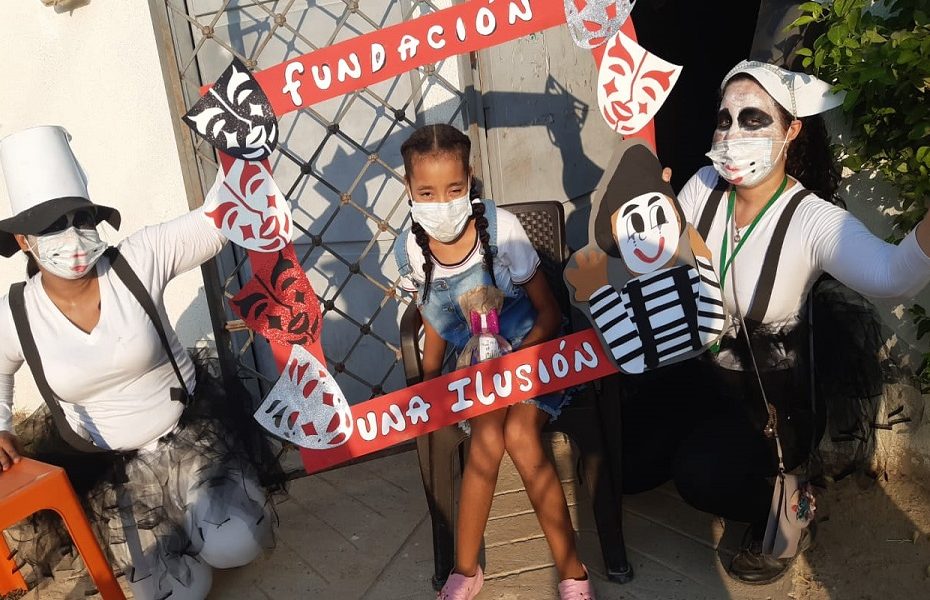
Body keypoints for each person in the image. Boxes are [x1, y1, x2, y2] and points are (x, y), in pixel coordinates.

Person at [616, 60, 930, 584]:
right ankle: (707, 450)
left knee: (700, 475)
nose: (732, 133)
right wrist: (648, 217)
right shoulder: (704, 185)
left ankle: (787, 503)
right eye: (724, 119)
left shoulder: (811, 219)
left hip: (771, 398)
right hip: (701, 370)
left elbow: (893, 276)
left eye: (753, 119)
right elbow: (662, 262)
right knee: (626, 463)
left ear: (792, 131)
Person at [0, 125, 284, 600]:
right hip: (112, 474)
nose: (71, 235)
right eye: (51, 226)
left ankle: (204, 522)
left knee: (236, 542)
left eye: (80, 217)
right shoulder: (17, 314)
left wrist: (238, 135)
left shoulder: (137, 259)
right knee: (176, 593)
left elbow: (218, 219)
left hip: (192, 441)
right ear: (24, 240)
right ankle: (179, 536)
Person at [393, 124, 594, 600]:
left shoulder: (502, 230)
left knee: (520, 434)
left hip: (530, 349)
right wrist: (429, 387)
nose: (442, 203)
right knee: (487, 436)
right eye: (427, 193)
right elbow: (435, 321)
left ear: (470, 179)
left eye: (453, 189)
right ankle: (466, 570)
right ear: (409, 189)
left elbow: (549, 312)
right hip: (473, 367)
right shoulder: (412, 247)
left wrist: (516, 362)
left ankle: (573, 571)